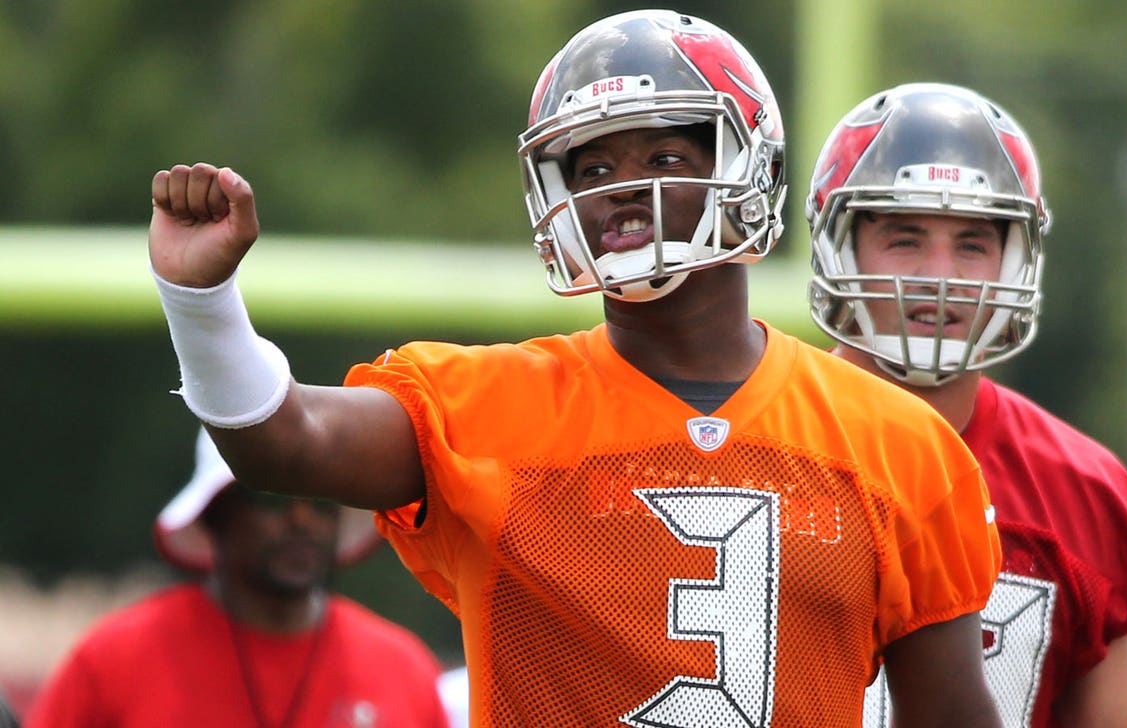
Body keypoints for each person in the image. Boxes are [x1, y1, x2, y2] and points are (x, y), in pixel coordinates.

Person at [146, 10, 1005, 726]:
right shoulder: (488, 403)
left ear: (746, 172)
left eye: (664, 159)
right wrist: (202, 302)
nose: (621, 190)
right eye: (593, 168)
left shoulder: (900, 443)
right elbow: (281, 444)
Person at [804, 82, 1127, 727]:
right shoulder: (748, 439)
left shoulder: (1084, 493)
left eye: (973, 244)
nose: (940, 274)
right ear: (838, 247)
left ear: (1017, 263)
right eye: (904, 239)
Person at [24, 429, 452, 728]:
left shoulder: (403, 667)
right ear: (215, 513)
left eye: (322, 502)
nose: (302, 520)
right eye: (273, 499)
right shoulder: (112, 660)